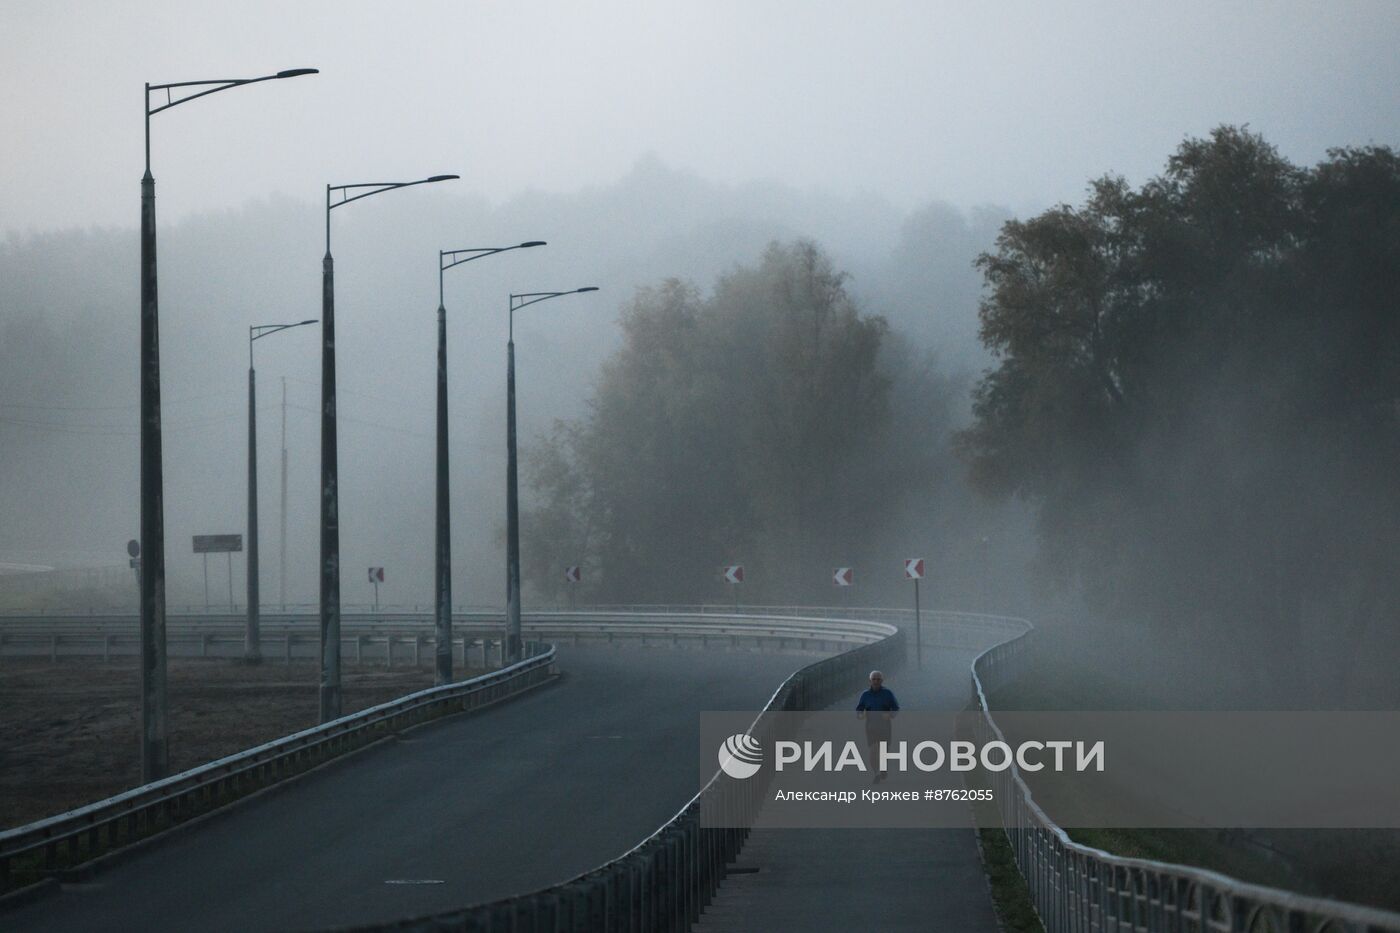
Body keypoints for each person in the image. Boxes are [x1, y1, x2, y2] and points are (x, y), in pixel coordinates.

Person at [856, 669, 899, 783]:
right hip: (871, 726)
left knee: (883, 749)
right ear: (870, 681)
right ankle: (876, 773)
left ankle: (883, 768)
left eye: (878, 679)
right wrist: (860, 715)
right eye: (874, 679)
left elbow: (895, 708)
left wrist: (890, 715)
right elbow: (859, 709)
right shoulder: (865, 695)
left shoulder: (888, 693)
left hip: (885, 726)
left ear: (882, 680)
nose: (876, 681)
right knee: (873, 749)